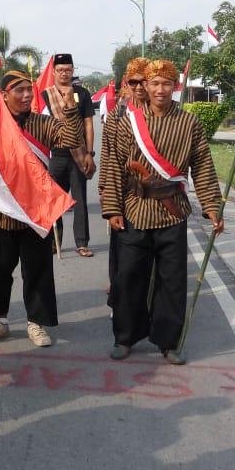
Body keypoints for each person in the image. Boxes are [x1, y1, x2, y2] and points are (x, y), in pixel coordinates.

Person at [99, 59, 223, 364]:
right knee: (128, 278)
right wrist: (112, 207)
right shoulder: (130, 122)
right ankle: (125, 337)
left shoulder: (189, 124)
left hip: (172, 211)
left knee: (172, 280)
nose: (159, 89)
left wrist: (212, 207)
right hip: (134, 209)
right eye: (154, 83)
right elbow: (114, 165)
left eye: (166, 84)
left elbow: (203, 168)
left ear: (175, 87)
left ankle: (168, 341)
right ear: (146, 86)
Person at [0, 70, 81, 347]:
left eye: (29, 90)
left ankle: (36, 323)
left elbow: (70, 139)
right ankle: (0, 321)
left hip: (35, 213)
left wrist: (69, 108)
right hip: (0, 212)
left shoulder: (43, 124)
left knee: (37, 270)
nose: (26, 95)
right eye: (18, 91)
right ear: (4, 95)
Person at [99, 58, 150, 305]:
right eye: (134, 82)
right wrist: (105, 192)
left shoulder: (161, 113)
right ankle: (119, 298)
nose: (139, 88)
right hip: (124, 193)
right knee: (122, 252)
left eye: (144, 81)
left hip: (155, 197)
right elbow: (108, 155)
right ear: (126, 85)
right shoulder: (118, 116)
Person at [41, 53, 96, 256]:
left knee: (80, 199)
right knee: (55, 200)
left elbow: (88, 124)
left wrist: (90, 152)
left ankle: (82, 243)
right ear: (54, 72)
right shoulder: (45, 95)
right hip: (56, 155)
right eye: (60, 70)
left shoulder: (82, 93)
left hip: (79, 154)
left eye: (68, 70)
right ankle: (55, 242)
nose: (64, 73)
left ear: (73, 71)